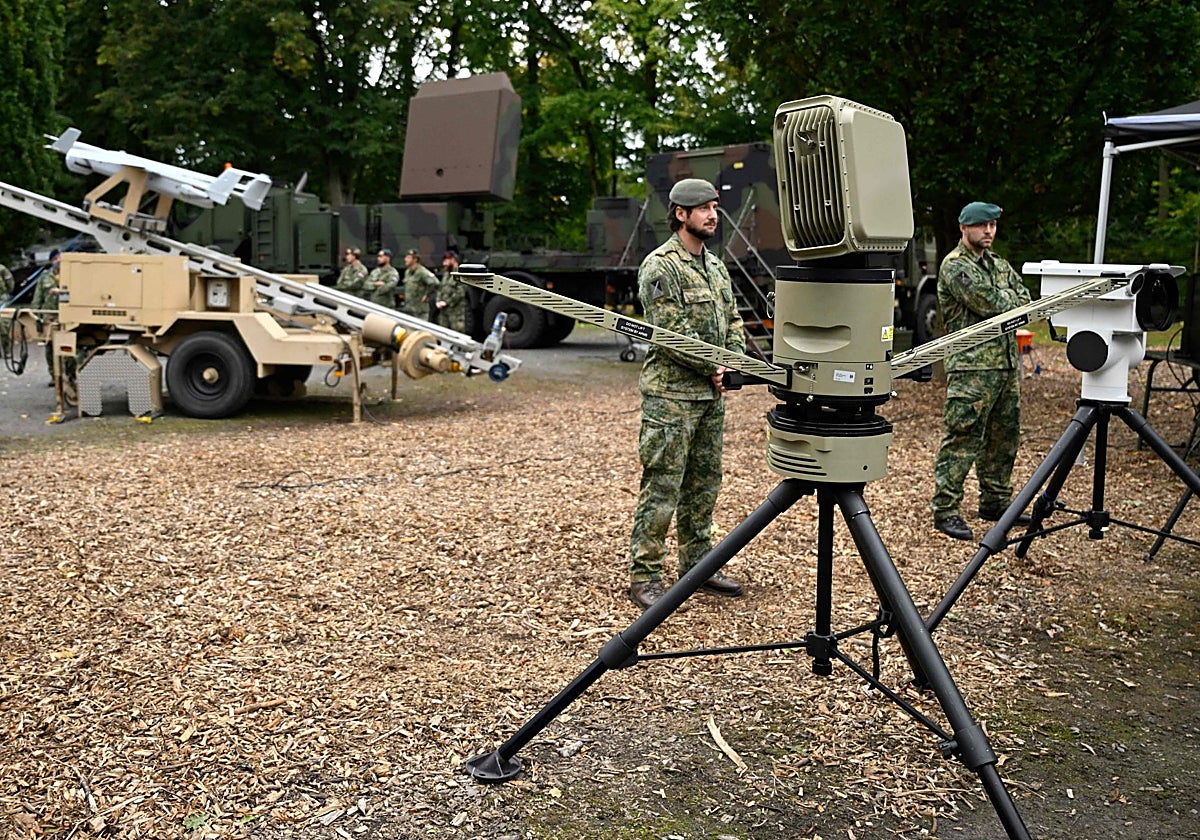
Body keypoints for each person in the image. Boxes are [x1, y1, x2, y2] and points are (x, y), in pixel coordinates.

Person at [627, 178, 746, 610]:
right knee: (663, 485)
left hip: (709, 397)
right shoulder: (661, 266)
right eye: (702, 208)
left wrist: (732, 363)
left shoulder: (715, 267)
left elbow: (733, 320)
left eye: (714, 207)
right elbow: (671, 333)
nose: (712, 215)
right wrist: (713, 367)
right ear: (680, 213)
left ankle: (698, 566)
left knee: (704, 484)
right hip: (671, 397)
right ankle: (644, 575)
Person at [931, 202, 1033, 541]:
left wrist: (1010, 299)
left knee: (1004, 438)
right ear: (964, 228)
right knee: (963, 437)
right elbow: (994, 304)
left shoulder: (998, 264)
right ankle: (945, 509)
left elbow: (1026, 300)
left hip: (1004, 364)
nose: (988, 232)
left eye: (992, 225)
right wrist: (1008, 299)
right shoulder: (955, 266)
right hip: (971, 368)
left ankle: (996, 502)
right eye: (981, 226)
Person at [31, 250, 64, 382]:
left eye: (60, 259)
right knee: (50, 348)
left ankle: (68, 374)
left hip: (65, 316)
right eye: (56, 259)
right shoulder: (45, 278)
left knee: (66, 347)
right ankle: (54, 375)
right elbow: (37, 298)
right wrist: (35, 316)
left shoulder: (70, 275)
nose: (59, 261)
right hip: (49, 317)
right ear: (52, 261)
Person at [402, 248, 439, 319]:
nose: (405, 259)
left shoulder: (422, 272)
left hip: (420, 311)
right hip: (409, 310)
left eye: (408, 257)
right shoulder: (408, 272)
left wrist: (427, 295)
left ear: (415, 259)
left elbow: (435, 283)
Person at [435, 250, 466, 332]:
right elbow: (440, 289)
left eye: (446, 260)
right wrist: (438, 301)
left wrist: (447, 302)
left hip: (455, 314)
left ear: (453, 260)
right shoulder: (446, 274)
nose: (444, 263)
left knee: (457, 336)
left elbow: (460, 292)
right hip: (444, 314)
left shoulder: (460, 274)